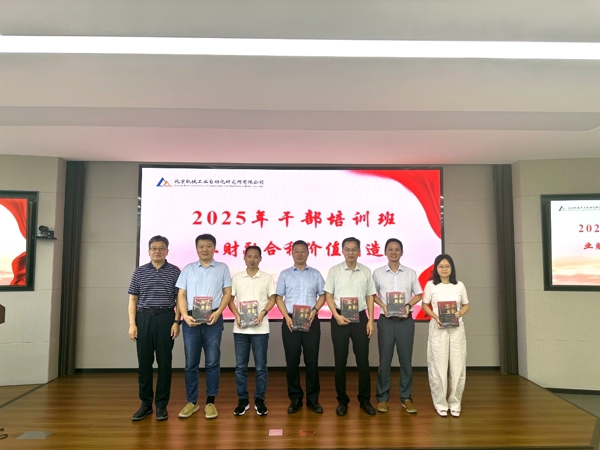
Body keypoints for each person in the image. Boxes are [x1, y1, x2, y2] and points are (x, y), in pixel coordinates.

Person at [176, 234, 232, 420]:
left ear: (214, 248)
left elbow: (227, 293)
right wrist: (184, 316)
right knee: (191, 363)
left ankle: (210, 402)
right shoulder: (188, 269)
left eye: (208, 246)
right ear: (196, 248)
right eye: (201, 246)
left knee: (212, 362)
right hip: (191, 320)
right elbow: (181, 294)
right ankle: (192, 402)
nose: (205, 249)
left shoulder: (222, 268)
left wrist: (219, 312)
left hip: (213, 319)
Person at [128, 235, 181, 421]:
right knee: (144, 363)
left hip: (166, 318)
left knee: (164, 364)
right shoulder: (140, 272)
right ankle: (145, 404)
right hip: (143, 319)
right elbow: (133, 299)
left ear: (167, 251)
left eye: (161, 248)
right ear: (149, 251)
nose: (157, 251)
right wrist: (132, 324)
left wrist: (176, 322)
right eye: (154, 248)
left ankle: (161, 405)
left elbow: (179, 299)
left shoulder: (175, 271)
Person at [324, 237, 376, 416]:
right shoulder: (334, 271)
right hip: (340, 317)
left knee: (363, 361)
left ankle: (365, 400)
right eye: (347, 249)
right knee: (340, 361)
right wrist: (336, 315)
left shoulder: (366, 271)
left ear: (359, 251)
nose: (351, 252)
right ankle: (342, 401)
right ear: (342, 251)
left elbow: (370, 296)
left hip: (360, 317)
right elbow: (328, 295)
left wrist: (370, 320)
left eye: (354, 249)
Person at [275, 240, 326, 414]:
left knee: (312, 361)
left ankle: (313, 399)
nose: (299, 254)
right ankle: (295, 398)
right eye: (296, 251)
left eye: (303, 251)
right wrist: (286, 317)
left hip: (311, 320)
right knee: (292, 361)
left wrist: (315, 310)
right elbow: (278, 297)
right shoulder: (285, 274)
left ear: (308, 253)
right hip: (290, 320)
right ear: (291, 253)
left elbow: (323, 295)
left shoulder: (316, 274)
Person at [373, 238, 422, 415]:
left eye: (397, 249)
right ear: (385, 252)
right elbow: (371, 294)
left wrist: (408, 305)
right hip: (386, 321)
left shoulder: (410, 273)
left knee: (406, 361)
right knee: (384, 361)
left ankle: (406, 397)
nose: (393, 252)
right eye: (390, 249)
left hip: (405, 322)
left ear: (402, 252)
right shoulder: (377, 273)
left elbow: (419, 294)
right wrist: (383, 305)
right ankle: (382, 397)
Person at [228, 246, 276, 416]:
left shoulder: (267, 278)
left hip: (260, 329)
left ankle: (259, 399)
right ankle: (242, 400)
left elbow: (272, 299)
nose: (252, 259)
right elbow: (230, 300)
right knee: (240, 367)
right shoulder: (237, 278)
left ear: (260, 259)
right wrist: (237, 315)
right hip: (240, 329)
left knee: (261, 367)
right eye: (249, 256)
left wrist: (263, 312)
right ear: (244, 258)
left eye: (256, 257)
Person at [421, 254, 470, 418]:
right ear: (436, 268)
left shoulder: (459, 285)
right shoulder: (431, 285)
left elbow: (466, 305)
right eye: (441, 266)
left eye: (447, 266)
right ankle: (440, 403)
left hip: (456, 329)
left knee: (458, 366)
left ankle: (455, 403)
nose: (444, 269)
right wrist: (436, 317)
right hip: (438, 328)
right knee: (438, 367)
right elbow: (425, 305)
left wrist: (460, 313)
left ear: (452, 268)